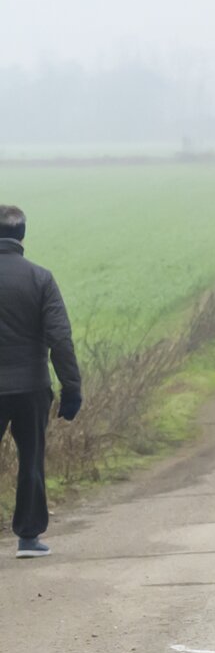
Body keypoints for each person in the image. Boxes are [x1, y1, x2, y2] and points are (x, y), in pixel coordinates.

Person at [0, 205, 81, 558]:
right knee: (31, 459)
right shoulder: (40, 278)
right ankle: (29, 538)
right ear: (22, 235)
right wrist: (71, 388)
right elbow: (60, 338)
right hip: (31, 387)